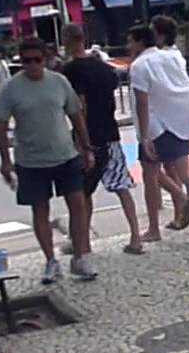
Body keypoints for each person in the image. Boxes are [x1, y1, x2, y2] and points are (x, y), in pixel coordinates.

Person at [0, 37, 97, 283]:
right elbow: (0, 125)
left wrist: (86, 146)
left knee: (78, 204)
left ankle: (80, 256)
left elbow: (75, 114)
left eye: (36, 60)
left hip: (65, 155)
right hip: (30, 160)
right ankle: (51, 261)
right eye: (26, 61)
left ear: (45, 59)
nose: (32, 66)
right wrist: (5, 161)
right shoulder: (10, 88)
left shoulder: (59, 82)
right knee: (40, 209)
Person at [61, 25, 145, 256]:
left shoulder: (71, 70)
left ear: (66, 41)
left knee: (83, 192)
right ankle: (136, 236)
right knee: (121, 186)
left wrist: (80, 138)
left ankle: (83, 242)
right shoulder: (104, 68)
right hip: (110, 132)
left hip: (89, 136)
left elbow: (80, 105)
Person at [132, 16, 189, 242]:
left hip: (154, 125)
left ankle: (154, 228)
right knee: (187, 175)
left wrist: (142, 136)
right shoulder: (174, 57)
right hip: (176, 124)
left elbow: (142, 102)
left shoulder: (140, 66)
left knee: (150, 175)